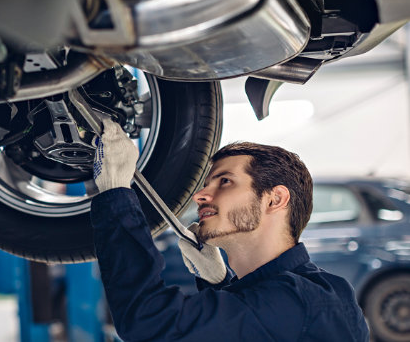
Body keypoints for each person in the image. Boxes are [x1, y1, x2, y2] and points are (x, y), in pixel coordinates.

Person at [91, 120, 369, 342]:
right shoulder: (325, 290)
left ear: (275, 199)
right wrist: (220, 283)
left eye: (225, 181)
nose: (200, 195)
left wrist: (116, 194)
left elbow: (147, 323)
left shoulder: (297, 300)